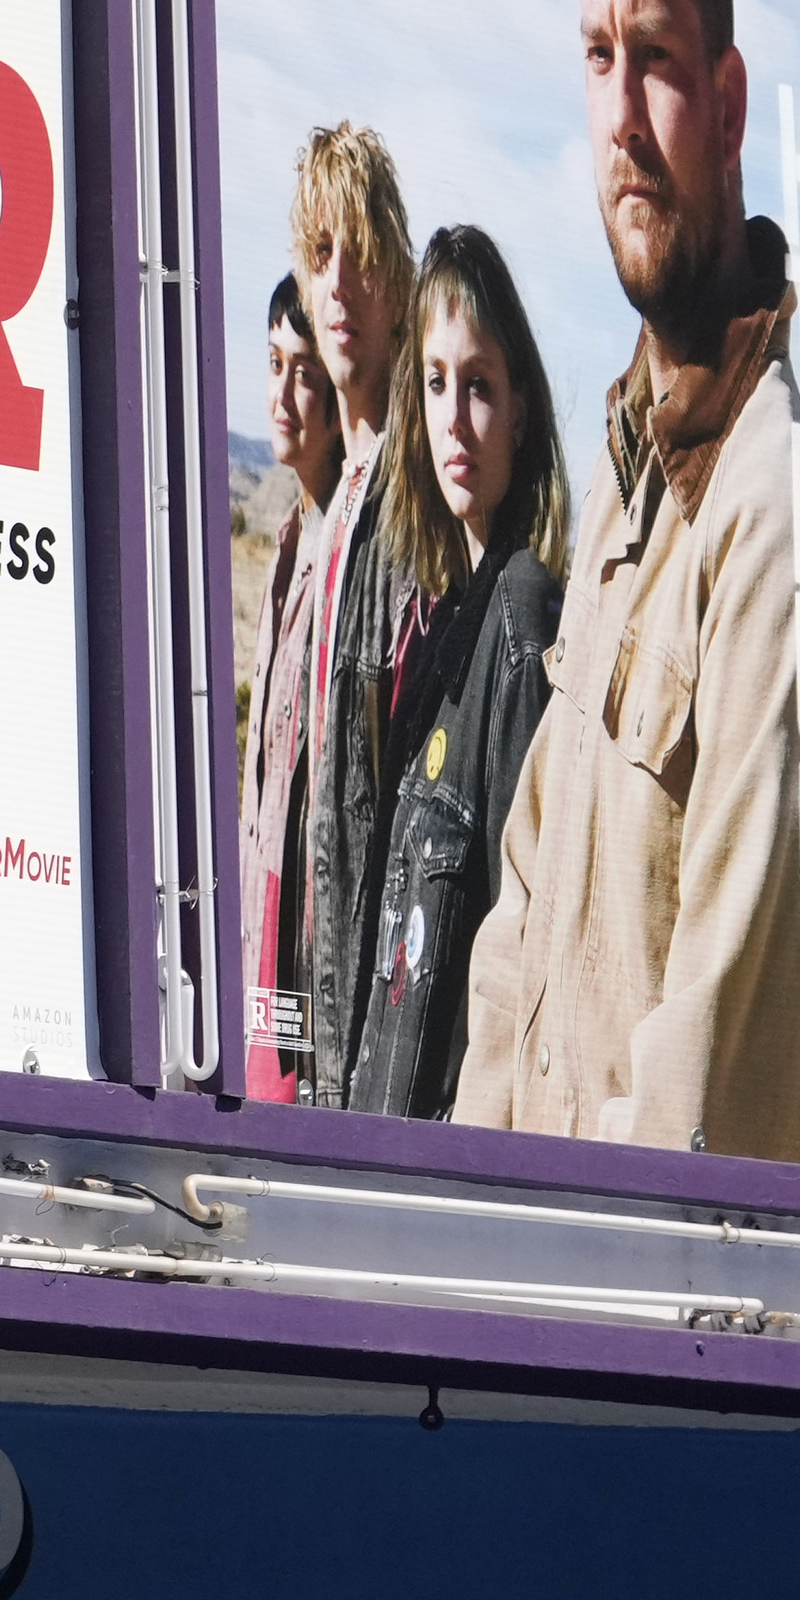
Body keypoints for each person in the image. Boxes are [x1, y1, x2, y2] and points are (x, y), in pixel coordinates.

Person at [453, 0, 800, 1163]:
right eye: (594, 56)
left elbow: (716, 1099)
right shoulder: (630, 483)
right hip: (525, 1309)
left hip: (641, 1339)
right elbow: (517, 933)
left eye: (657, 61)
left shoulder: (776, 510)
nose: (620, 116)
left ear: (729, 102)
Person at [322, 224, 563, 1122]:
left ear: (523, 406)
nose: (454, 417)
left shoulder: (523, 617)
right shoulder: (443, 626)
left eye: (481, 386)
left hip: (443, 1174)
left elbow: (519, 951)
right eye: (434, 383)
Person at [242, 126, 412, 1107]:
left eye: (358, 250)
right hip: (294, 966)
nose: (339, 285)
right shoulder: (336, 502)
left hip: (363, 1021)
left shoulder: (412, 498)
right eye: (319, 256)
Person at [232, 273, 343, 749]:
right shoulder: (288, 544)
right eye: (275, 364)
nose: (281, 395)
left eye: (302, 374)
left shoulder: (345, 553)